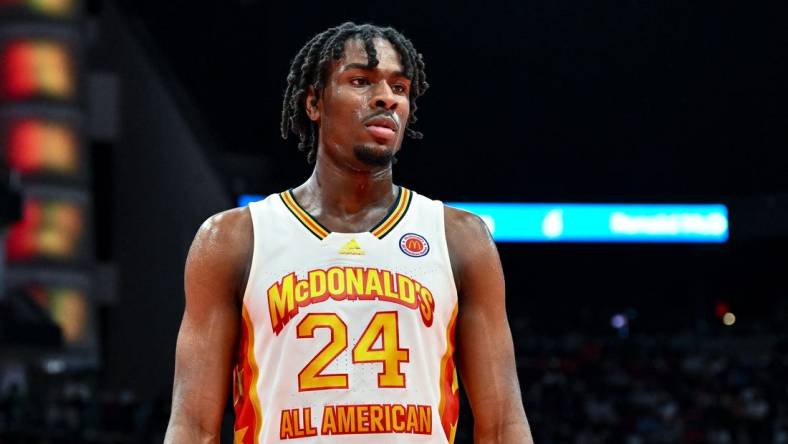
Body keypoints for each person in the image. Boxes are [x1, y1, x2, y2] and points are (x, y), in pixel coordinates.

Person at [164, 22, 533, 444]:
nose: (386, 97)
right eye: (360, 81)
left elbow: (503, 425)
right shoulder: (233, 239)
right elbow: (193, 426)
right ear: (314, 103)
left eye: (400, 87)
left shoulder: (460, 238)